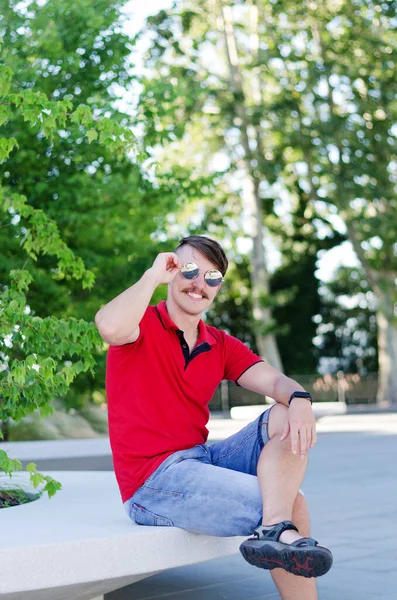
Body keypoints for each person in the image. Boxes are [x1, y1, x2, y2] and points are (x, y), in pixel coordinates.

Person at [95, 235, 333, 600]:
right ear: (171, 271)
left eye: (212, 277)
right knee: (290, 503)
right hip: (152, 482)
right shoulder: (139, 326)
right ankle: (276, 527)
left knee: (285, 415)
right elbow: (108, 327)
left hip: (200, 458)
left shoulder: (217, 343)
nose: (199, 283)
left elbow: (272, 379)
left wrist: (300, 398)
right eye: (189, 270)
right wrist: (150, 276)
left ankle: (274, 527)